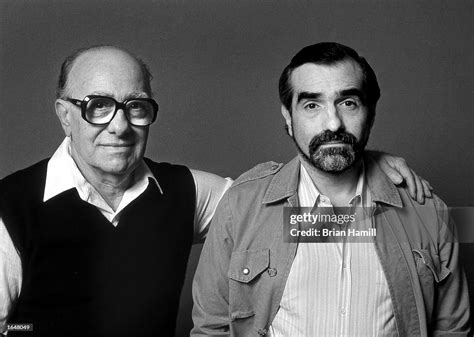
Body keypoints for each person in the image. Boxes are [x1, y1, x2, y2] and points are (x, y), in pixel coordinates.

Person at [0, 45, 430, 337]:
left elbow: (301, 215)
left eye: (135, 106)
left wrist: (362, 162)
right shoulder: (10, 207)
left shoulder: (189, 192)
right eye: (98, 106)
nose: (119, 125)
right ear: (64, 115)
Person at [192, 42, 470, 336]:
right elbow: (211, 327)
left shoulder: (428, 212)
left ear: (370, 112)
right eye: (312, 105)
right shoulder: (240, 206)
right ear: (288, 116)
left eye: (348, 102)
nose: (333, 122)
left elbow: (453, 329)